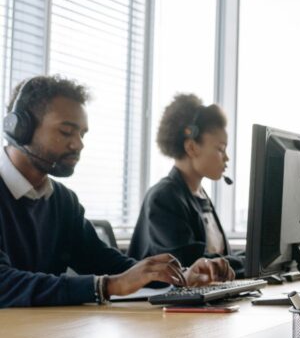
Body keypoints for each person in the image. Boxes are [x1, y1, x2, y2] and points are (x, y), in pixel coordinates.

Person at [0, 76, 231, 308]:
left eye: (82, 134)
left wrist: (180, 276)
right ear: (21, 129)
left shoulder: (62, 201)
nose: (79, 144)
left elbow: (107, 264)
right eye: (67, 131)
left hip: (36, 336)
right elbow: (4, 284)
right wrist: (107, 285)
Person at [129, 94, 241, 275]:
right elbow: (191, 264)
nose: (226, 158)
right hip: (160, 301)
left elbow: (218, 259)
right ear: (191, 147)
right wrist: (248, 262)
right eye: (220, 149)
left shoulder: (199, 195)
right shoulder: (164, 197)